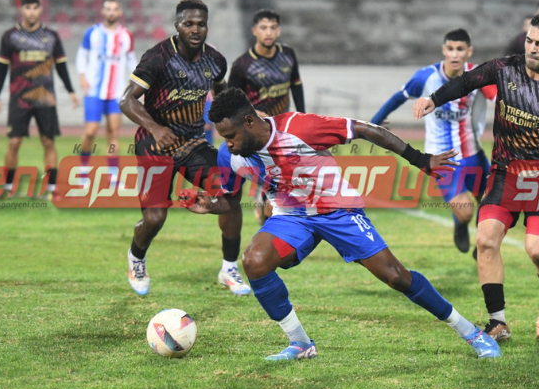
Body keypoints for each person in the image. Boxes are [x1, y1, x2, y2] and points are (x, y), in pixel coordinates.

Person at [179, 87, 501, 360]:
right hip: (293, 217)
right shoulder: (229, 156)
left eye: (232, 135)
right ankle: (301, 344)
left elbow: (364, 129)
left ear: (249, 122)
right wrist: (210, 205)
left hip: (338, 211)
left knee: (396, 276)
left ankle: (470, 332)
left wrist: (420, 159)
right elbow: (230, 200)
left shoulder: (299, 127)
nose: (228, 144)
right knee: (255, 261)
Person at [413, 12, 539, 342]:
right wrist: (434, 98)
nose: (532, 48)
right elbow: (467, 82)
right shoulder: (506, 68)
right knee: (486, 239)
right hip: (506, 173)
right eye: (530, 40)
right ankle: (497, 321)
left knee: (537, 251)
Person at [120, 0, 248, 296]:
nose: (195, 29)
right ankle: (136, 257)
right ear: (177, 26)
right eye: (188, 23)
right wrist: (155, 128)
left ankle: (229, 268)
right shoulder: (157, 57)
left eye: (200, 24)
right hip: (154, 145)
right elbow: (126, 100)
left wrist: (236, 128)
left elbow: (222, 95)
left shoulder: (215, 60)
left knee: (230, 192)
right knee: (155, 218)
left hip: (193, 144)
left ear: (207, 26)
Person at [371, 28, 496, 255]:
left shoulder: (479, 75)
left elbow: (500, 96)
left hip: (473, 153)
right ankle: (460, 225)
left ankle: (482, 241)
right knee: (466, 212)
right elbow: (398, 98)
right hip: (441, 157)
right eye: (450, 49)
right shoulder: (426, 77)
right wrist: (374, 123)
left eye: (460, 49)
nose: (455, 54)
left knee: (489, 204)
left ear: (469, 52)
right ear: (443, 50)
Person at [0, 0, 79, 200]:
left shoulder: (51, 36)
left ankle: (51, 189)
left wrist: (71, 91)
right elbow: (2, 68)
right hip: (19, 99)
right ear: (21, 10)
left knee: (48, 142)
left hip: (45, 98)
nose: (31, 12)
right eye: (27, 8)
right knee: (14, 143)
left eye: (35, 8)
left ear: (41, 9)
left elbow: (61, 66)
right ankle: (7, 186)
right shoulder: (10, 36)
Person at [229, 9, 305, 224]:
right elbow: (229, 101)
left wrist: (302, 117)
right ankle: (263, 209)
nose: (268, 32)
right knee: (271, 182)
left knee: (282, 183)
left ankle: (269, 212)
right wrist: (250, 113)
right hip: (256, 134)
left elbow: (297, 87)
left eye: (273, 27)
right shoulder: (242, 65)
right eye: (263, 28)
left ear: (279, 30)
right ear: (254, 31)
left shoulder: (288, 55)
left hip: (283, 130)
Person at [76, 0, 137, 182]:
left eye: (115, 9)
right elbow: (81, 56)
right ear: (103, 12)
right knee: (90, 131)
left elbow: (132, 62)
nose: (111, 12)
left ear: (120, 12)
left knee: (113, 133)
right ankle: (83, 168)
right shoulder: (93, 33)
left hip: (116, 93)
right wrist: (83, 78)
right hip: (94, 91)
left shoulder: (126, 36)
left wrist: (136, 84)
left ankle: (113, 174)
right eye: (108, 9)